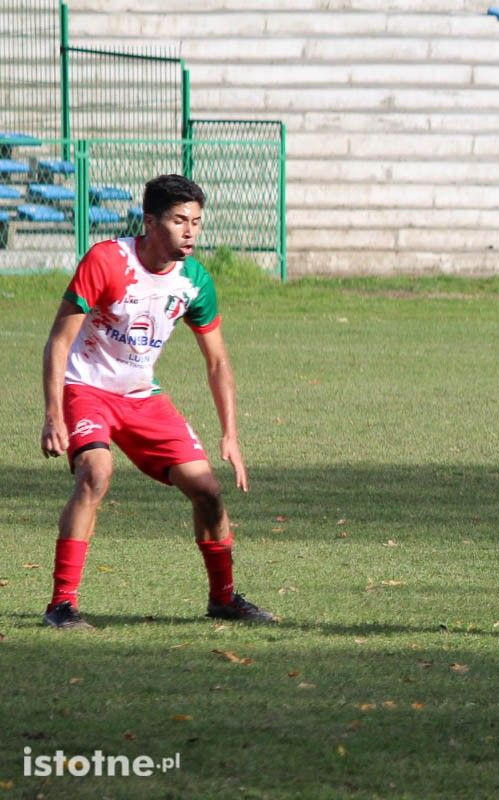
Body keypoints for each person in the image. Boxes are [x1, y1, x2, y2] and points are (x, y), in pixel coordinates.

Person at [39, 174, 274, 628]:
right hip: (86, 388)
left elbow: (218, 362)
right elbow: (58, 340)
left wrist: (230, 434)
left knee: (207, 491)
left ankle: (223, 599)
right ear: (150, 221)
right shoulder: (108, 260)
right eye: (179, 220)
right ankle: (61, 605)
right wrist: (53, 415)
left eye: (197, 222)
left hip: (142, 397)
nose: (190, 232)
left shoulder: (194, 281)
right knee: (96, 474)